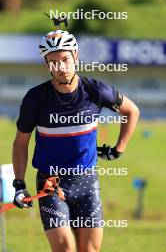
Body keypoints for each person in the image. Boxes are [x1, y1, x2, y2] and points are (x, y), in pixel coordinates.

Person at [12, 28, 140, 252]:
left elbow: (131, 111)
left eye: (65, 59)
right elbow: (21, 142)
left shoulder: (95, 90)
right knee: (65, 249)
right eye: (53, 62)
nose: (60, 67)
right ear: (46, 65)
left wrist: (118, 149)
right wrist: (19, 185)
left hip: (87, 182)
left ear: (76, 57)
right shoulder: (35, 98)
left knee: (89, 250)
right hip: (51, 184)